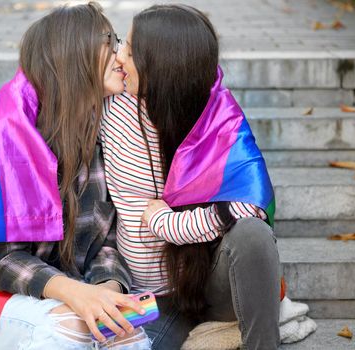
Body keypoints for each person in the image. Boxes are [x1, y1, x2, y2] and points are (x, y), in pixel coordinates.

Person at [0, 3, 152, 349]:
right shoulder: (3, 135)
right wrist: (76, 294)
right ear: (73, 50)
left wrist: (109, 289)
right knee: (70, 331)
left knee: (127, 334)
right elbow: (3, 260)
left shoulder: (102, 132)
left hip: (67, 291)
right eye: (111, 40)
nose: (121, 54)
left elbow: (108, 239)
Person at [99, 4, 281, 349]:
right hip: (145, 297)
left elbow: (250, 208)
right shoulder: (113, 105)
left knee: (254, 236)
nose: (119, 55)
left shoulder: (216, 120)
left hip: (204, 288)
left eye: (131, 50)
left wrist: (168, 225)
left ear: (162, 67)